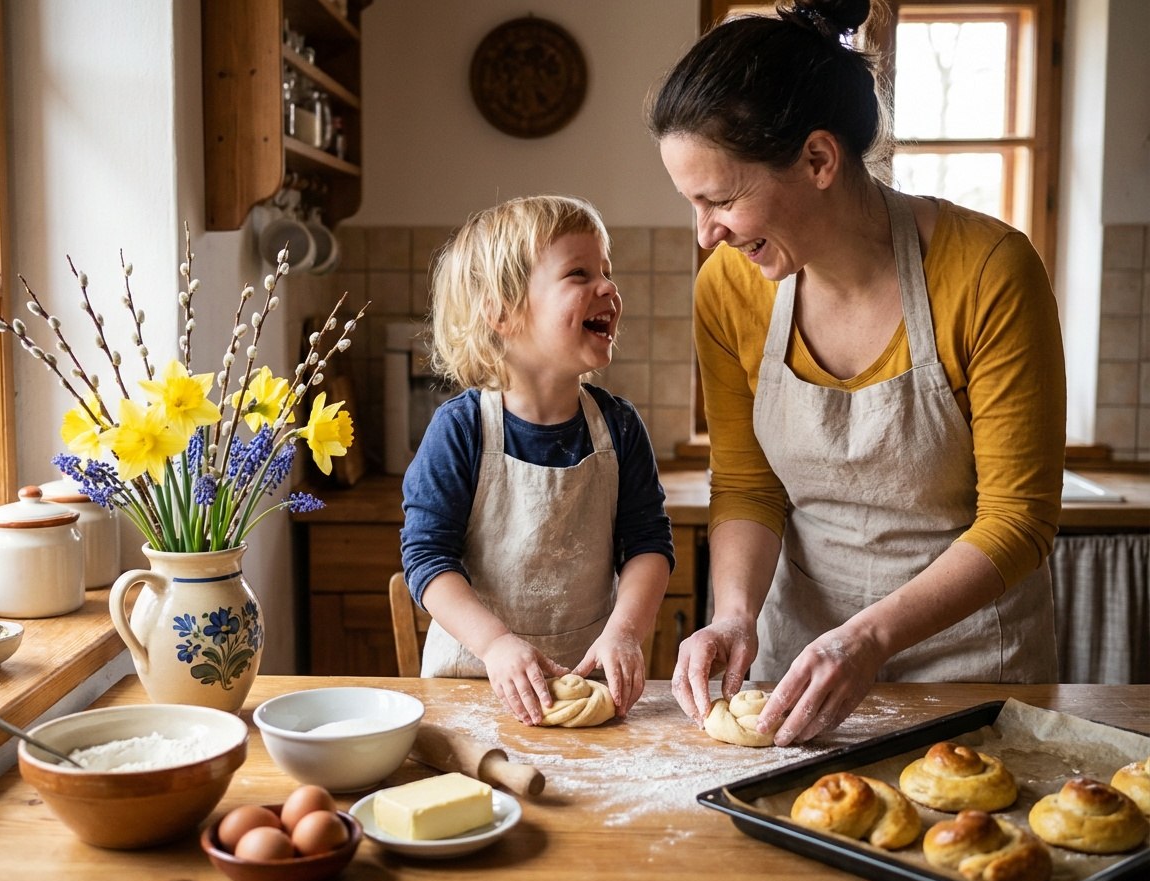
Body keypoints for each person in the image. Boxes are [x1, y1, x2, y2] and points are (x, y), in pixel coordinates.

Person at [648, 0, 1066, 746]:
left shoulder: (987, 272)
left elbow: (1018, 521)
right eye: (692, 203)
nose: (706, 235)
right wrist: (734, 613)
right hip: (797, 673)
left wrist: (870, 638)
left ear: (817, 160)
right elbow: (749, 485)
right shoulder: (730, 288)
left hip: (973, 674)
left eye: (720, 200)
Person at [400, 195, 674, 725]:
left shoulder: (618, 427)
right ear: (502, 312)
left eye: (607, 271)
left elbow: (648, 545)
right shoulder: (461, 430)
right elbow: (427, 560)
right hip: (472, 688)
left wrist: (624, 632)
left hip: (587, 689)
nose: (609, 288)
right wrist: (497, 644)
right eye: (579, 273)